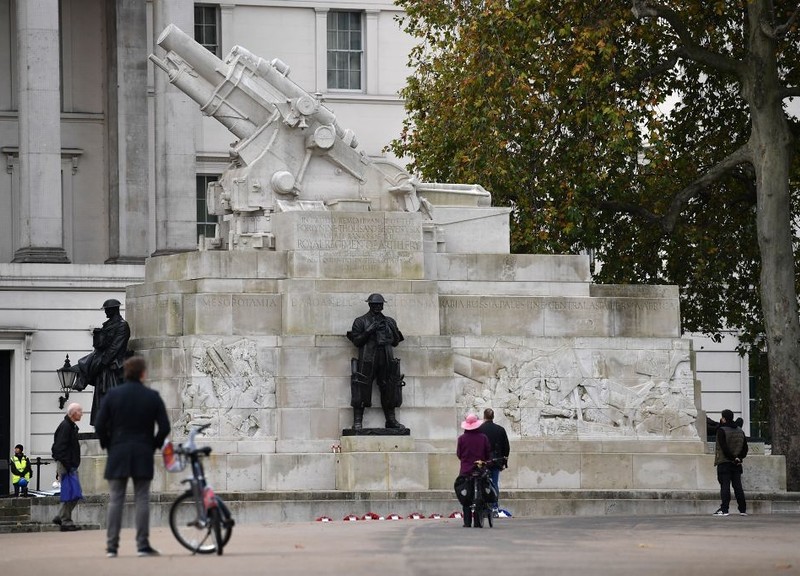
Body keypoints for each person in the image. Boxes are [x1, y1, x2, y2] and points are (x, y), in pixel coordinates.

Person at [94, 356, 171, 558]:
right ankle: (142, 545)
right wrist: (152, 445)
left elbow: (100, 425)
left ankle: (112, 547)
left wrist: (108, 444)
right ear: (143, 374)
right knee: (142, 498)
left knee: (116, 499)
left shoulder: (113, 395)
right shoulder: (152, 396)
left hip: (118, 450)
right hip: (142, 450)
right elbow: (165, 428)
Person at [346, 293, 406, 431]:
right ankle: (357, 421)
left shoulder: (389, 321)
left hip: (386, 357)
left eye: (380, 304)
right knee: (361, 386)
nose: (378, 307)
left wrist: (393, 331)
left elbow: (396, 342)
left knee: (390, 388)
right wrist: (369, 330)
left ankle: (391, 420)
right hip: (368, 358)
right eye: (375, 304)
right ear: (369, 305)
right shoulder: (361, 321)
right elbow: (356, 341)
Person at [74, 299, 131, 425]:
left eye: (107, 309)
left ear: (113, 309)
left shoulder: (122, 325)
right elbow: (99, 347)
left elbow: (114, 348)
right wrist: (97, 336)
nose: (105, 312)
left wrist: (100, 364)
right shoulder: (107, 325)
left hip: (113, 368)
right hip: (104, 368)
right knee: (101, 398)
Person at [51, 402, 83, 531]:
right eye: (80, 411)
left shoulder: (70, 426)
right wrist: (68, 465)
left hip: (69, 464)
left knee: (73, 492)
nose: (82, 414)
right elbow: (58, 448)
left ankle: (62, 517)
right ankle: (65, 521)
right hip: (67, 465)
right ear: (73, 413)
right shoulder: (66, 427)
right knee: (73, 493)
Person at [456, 413, 491, 527]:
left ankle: (467, 522)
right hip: (480, 469)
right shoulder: (483, 438)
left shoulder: (461, 439)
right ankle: (478, 520)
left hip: (466, 470)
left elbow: (459, 454)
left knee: (467, 495)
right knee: (480, 491)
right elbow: (487, 453)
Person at [713, 409, 749, 516]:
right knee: (738, 486)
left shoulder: (722, 430)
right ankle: (742, 509)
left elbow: (724, 447)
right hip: (737, 464)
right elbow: (745, 448)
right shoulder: (740, 431)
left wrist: (732, 458)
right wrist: (739, 458)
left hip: (724, 462)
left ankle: (724, 509)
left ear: (723, 418)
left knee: (725, 486)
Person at [478, 408, 510, 514]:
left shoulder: (479, 429)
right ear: (493, 417)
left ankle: (483, 507)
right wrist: (504, 462)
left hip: (483, 461)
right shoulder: (500, 429)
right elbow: (506, 447)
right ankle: (495, 507)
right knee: (494, 483)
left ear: (484, 416)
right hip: (496, 461)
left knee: (482, 483)